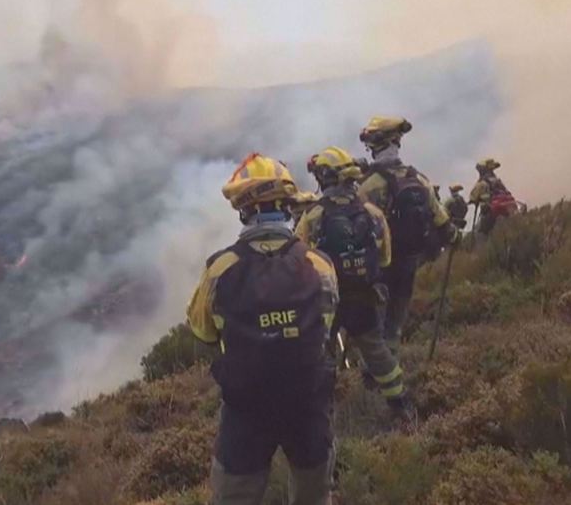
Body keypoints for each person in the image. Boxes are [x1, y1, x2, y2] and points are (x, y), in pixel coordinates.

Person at [188, 152, 339, 505]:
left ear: (243, 210)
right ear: (287, 206)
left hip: (246, 408)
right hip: (307, 400)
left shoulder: (220, 268)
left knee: (235, 496)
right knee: (313, 492)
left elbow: (203, 333)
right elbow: (326, 326)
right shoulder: (319, 265)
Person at [295, 147, 414, 425]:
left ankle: (324, 414)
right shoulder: (373, 213)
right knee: (376, 350)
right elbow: (385, 257)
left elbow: (299, 260)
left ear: (324, 178)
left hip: (326, 303)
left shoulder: (312, 216)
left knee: (323, 356)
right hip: (365, 298)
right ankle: (400, 404)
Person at [357, 116, 458, 353]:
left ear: (374, 146)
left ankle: (374, 379)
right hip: (410, 263)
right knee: (395, 325)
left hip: (379, 269)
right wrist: (454, 238)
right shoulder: (419, 178)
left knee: (375, 328)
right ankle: (395, 367)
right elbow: (442, 221)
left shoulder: (368, 185)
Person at [470, 158, 517, 236]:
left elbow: (472, 197)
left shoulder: (481, 183)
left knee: (480, 233)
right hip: (505, 210)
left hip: (489, 212)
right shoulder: (498, 181)